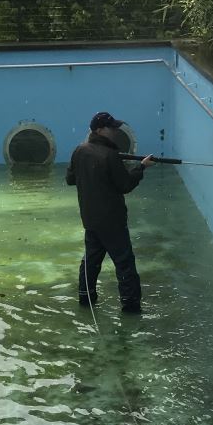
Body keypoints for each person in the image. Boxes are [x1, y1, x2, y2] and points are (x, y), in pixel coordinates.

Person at [66, 111, 154, 314]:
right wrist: (141, 168)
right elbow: (125, 185)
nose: (115, 131)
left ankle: (85, 298)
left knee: (90, 261)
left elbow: (70, 179)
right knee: (124, 264)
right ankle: (130, 307)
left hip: (90, 219)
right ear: (99, 130)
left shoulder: (79, 151)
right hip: (112, 221)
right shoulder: (110, 155)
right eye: (111, 127)